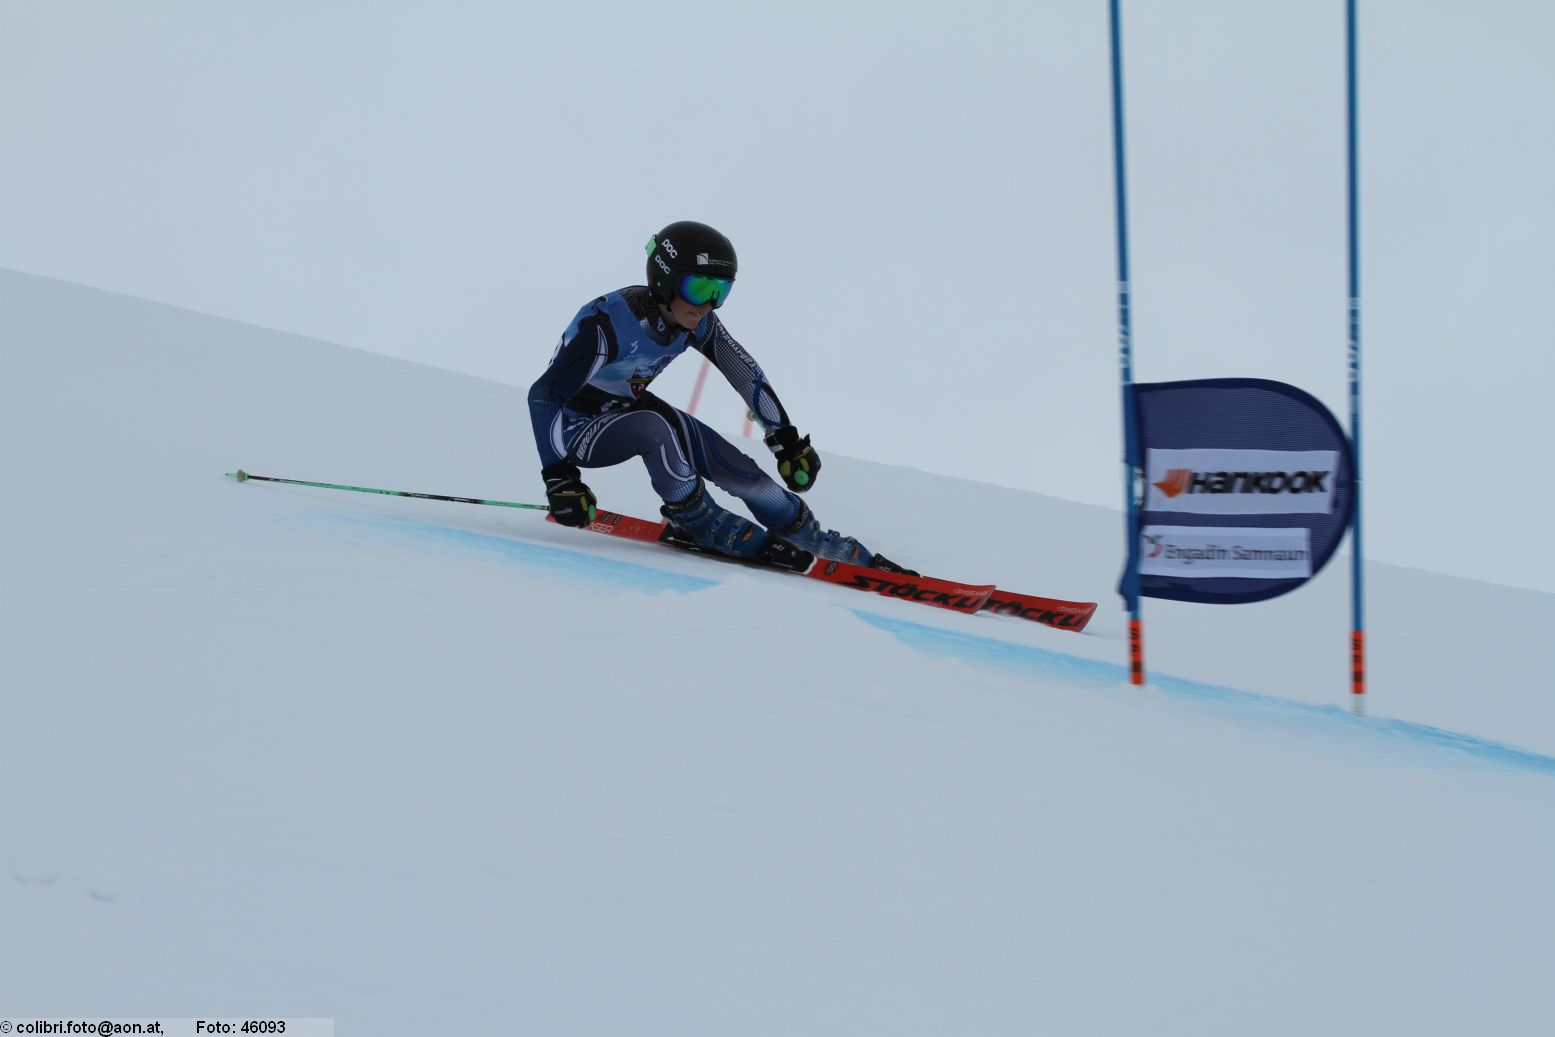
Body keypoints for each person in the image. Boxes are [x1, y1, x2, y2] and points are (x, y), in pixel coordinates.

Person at [528, 220, 910, 573]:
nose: (707, 304)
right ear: (664, 280)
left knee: (730, 462)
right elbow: (544, 394)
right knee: (654, 426)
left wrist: (785, 439)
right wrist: (560, 478)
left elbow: (743, 371)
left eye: (720, 292)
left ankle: (804, 532)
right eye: (699, 289)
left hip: (626, 407)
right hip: (574, 429)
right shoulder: (608, 324)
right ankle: (697, 518)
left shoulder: (697, 322)